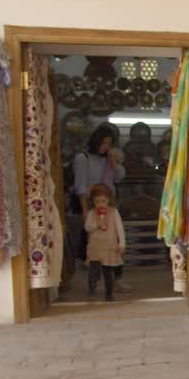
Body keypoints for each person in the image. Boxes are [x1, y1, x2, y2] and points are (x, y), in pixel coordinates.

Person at [73, 125, 132, 292]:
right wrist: (85, 210)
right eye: (104, 143)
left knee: (115, 242)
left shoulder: (107, 159)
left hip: (110, 205)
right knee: (95, 245)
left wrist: (112, 160)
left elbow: (120, 176)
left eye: (109, 144)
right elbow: (81, 186)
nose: (106, 146)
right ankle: (96, 281)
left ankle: (116, 279)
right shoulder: (83, 158)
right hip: (92, 205)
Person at [83, 185, 126, 301]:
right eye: (97, 201)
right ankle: (91, 291)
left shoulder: (114, 212)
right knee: (93, 271)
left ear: (109, 200)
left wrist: (122, 243)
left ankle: (109, 293)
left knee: (108, 272)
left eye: (103, 201)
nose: (100, 204)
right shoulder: (91, 213)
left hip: (109, 246)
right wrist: (97, 224)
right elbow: (87, 227)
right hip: (95, 247)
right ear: (93, 201)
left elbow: (119, 228)